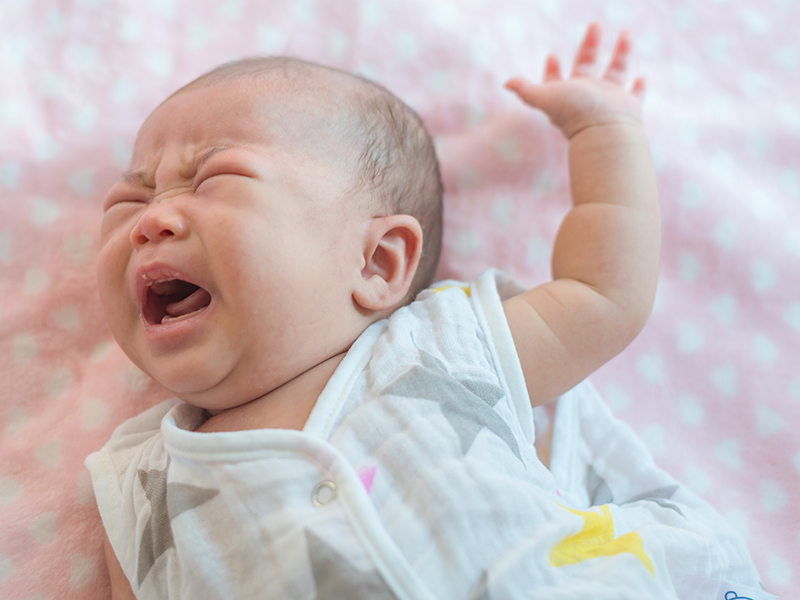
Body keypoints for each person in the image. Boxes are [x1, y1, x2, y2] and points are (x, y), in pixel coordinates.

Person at [86, 23, 769, 600]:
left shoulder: (443, 347)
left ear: (377, 263)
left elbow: (605, 294)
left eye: (216, 178)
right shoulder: (141, 481)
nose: (151, 220)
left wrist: (605, 132)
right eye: (129, 201)